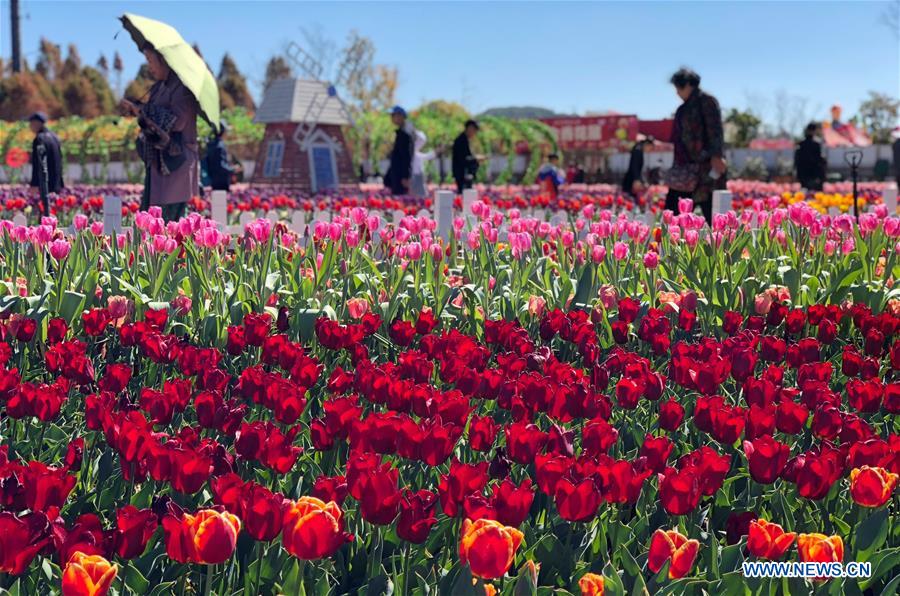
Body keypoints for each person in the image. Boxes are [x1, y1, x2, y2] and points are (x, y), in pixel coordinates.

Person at [120, 43, 199, 222]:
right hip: (157, 162)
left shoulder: (182, 88)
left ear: (164, 60)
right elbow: (151, 114)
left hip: (175, 162)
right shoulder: (158, 87)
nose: (149, 66)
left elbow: (178, 121)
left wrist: (145, 113)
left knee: (169, 223)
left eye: (151, 60)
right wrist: (138, 110)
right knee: (150, 220)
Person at [664, 67, 726, 225]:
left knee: (713, 214)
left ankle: (720, 247)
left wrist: (717, 156)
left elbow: (715, 130)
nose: (677, 92)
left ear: (688, 85)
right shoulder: (682, 109)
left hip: (705, 168)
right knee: (673, 214)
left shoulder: (706, 101)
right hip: (684, 170)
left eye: (678, 88)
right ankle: (671, 248)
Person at [28, 112, 64, 196]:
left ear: (37, 123)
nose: (30, 126)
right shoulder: (55, 137)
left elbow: (38, 163)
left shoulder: (39, 139)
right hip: (56, 182)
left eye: (31, 123)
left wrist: (34, 183)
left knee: (45, 207)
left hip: (45, 182)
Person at [384, 106, 415, 196]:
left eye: (394, 115)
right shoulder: (401, 132)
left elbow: (407, 156)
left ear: (401, 116)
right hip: (397, 174)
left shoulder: (405, 134)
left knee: (400, 199)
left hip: (400, 176)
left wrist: (406, 176)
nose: (392, 118)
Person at [205, 120, 240, 192]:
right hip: (221, 182)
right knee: (221, 202)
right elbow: (221, 166)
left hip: (214, 181)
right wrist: (233, 169)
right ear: (223, 131)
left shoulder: (212, 144)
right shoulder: (219, 146)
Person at [795, 123, 826, 191]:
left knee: (805, 193)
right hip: (815, 173)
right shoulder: (817, 143)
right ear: (814, 131)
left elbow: (797, 160)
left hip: (804, 173)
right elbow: (821, 159)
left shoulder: (801, 144)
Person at [452, 119, 480, 194]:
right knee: (465, 195)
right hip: (462, 173)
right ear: (470, 128)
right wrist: (476, 159)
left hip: (464, 173)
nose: (474, 133)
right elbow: (463, 159)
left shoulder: (465, 139)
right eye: (475, 130)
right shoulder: (461, 140)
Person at [411, 130, 435, 198]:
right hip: (415, 175)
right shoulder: (412, 150)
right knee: (419, 193)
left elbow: (423, 139)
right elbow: (422, 139)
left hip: (418, 174)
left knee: (420, 193)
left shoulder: (414, 151)